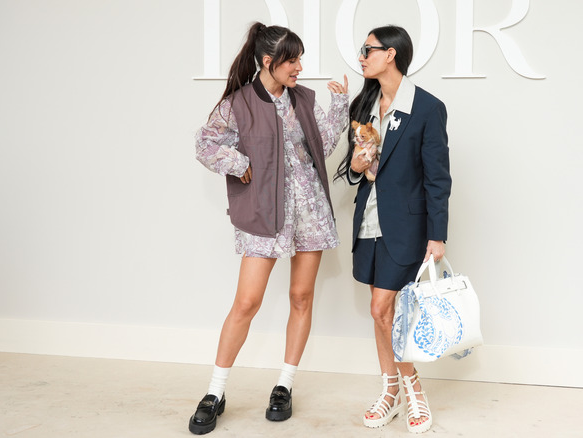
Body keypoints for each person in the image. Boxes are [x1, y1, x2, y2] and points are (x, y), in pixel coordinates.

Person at [189, 22, 349, 435]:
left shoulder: (304, 99)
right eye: (291, 60)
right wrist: (239, 164)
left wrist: (339, 106)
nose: (299, 67)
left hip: (309, 209)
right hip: (264, 214)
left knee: (301, 296)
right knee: (246, 303)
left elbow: (321, 147)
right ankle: (215, 391)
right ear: (268, 62)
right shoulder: (238, 104)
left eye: (299, 59)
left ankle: (284, 384)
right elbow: (205, 144)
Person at [335, 25, 451, 434]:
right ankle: (392, 391)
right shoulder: (364, 105)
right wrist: (357, 165)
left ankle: (409, 390)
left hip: (407, 226)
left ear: (392, 55)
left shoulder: (426, 107)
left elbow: (438, 178)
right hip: (369, 221)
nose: (362, 56)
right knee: (383, 312)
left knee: (383, 310)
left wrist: (437, 235)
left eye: (368, 50)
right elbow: (357, 171)